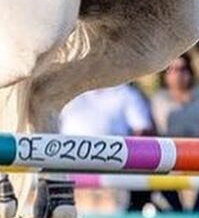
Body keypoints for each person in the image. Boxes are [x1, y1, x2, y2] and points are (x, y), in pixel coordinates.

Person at [58, 83, 156, 211]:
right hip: (70, 176)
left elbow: (142, 132)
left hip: (111, 177)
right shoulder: (67, 92)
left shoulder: (125, 93)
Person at [151, 53, 199, 212]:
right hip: (168, 159)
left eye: (182, 69)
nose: (178, 74)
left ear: (190, 72)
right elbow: (153, 131)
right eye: (172, 69)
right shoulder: (158, 100)